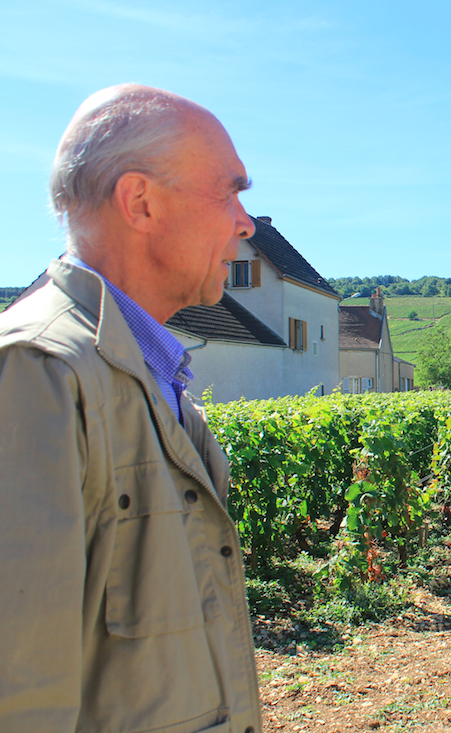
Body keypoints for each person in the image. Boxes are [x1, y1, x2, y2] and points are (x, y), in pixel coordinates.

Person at [0, 85, 263, 732]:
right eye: (228, 192)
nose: (245, 222)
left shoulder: (152, 375)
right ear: (140, 202)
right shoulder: (39, 373)